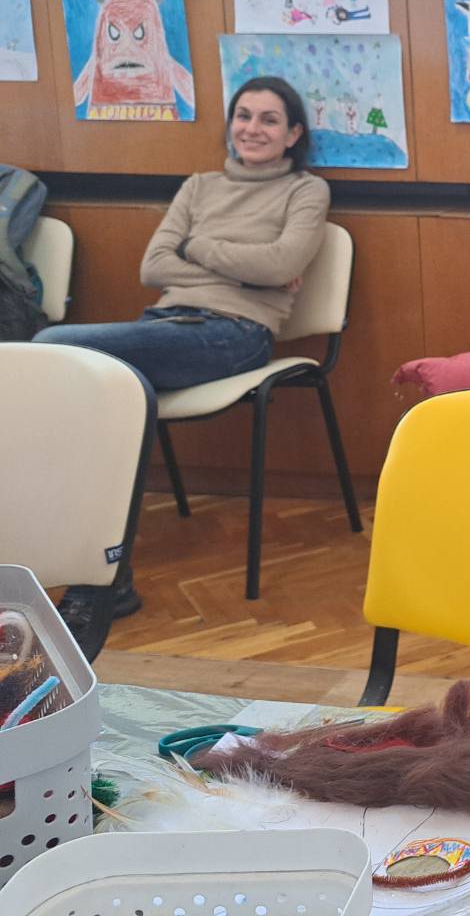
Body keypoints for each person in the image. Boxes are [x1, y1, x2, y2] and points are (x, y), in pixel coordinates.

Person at [36, 75, 330, 629]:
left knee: (50, 347)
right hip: (165, 327)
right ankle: (104, 581)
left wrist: (195, 248)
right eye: (244, 116)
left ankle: (97, 580)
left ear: (293, 134)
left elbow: (281, 265)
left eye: (269, 120)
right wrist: (246, 266)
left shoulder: (305, 191)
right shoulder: (199, 186)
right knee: (108, 401)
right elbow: (153, 267)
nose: (253, 129)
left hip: (234, 334)